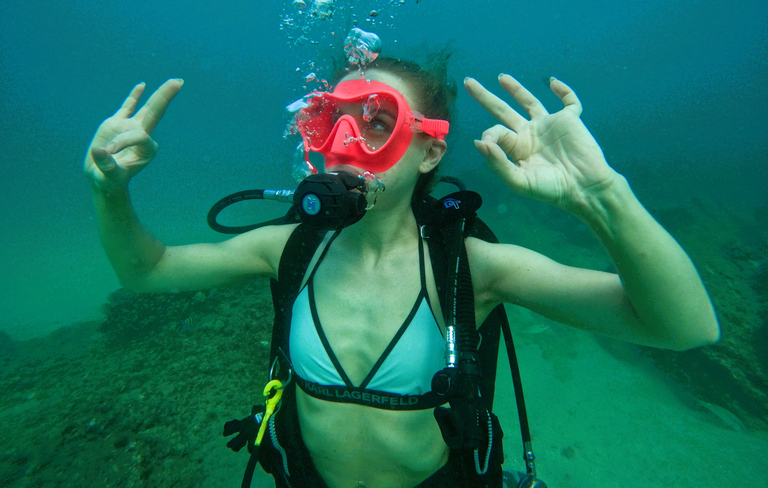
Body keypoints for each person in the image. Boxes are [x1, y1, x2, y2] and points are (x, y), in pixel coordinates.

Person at [83, 55, 719, 488]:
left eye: (377, 125)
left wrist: (599, 194)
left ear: (430, 149)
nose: (345, 147)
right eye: (331, 124)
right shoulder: (287, 250)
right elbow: (148, 270)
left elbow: (681, 326)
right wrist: (110, 193)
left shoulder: (470, 266)